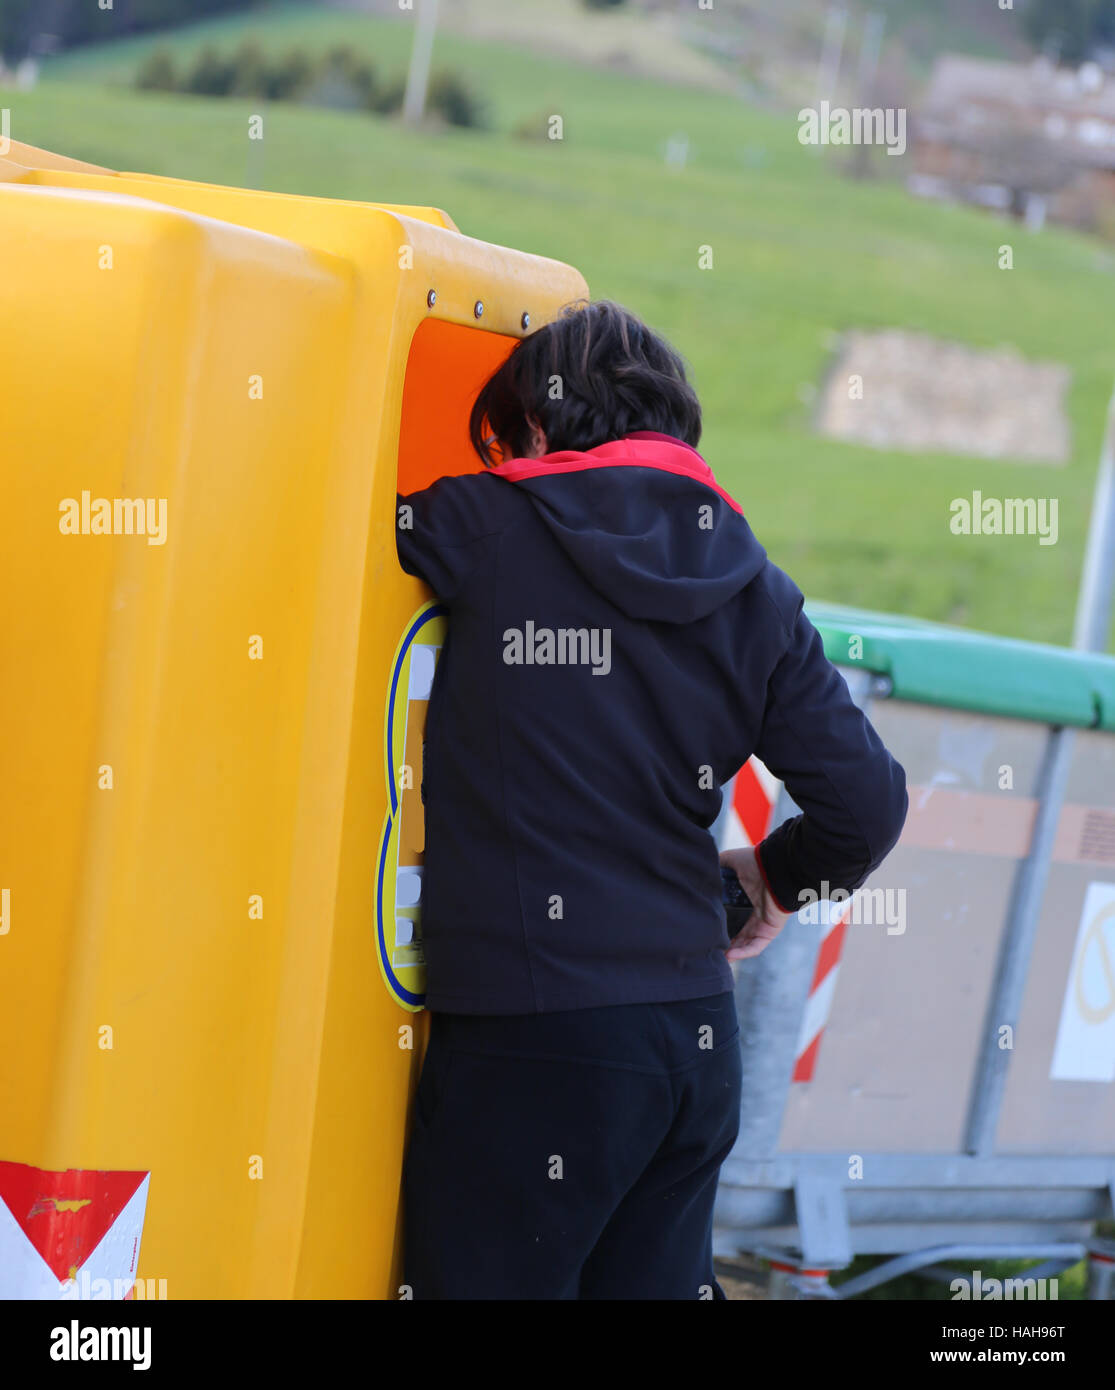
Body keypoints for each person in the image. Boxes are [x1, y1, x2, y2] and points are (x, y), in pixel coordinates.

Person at [395, 299, 907, 1300]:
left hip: (533, 1034)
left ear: (538, 427)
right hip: (689, 1040)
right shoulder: (755, 587)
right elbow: (868, 805)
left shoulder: (485, 524)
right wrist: (769, 879)